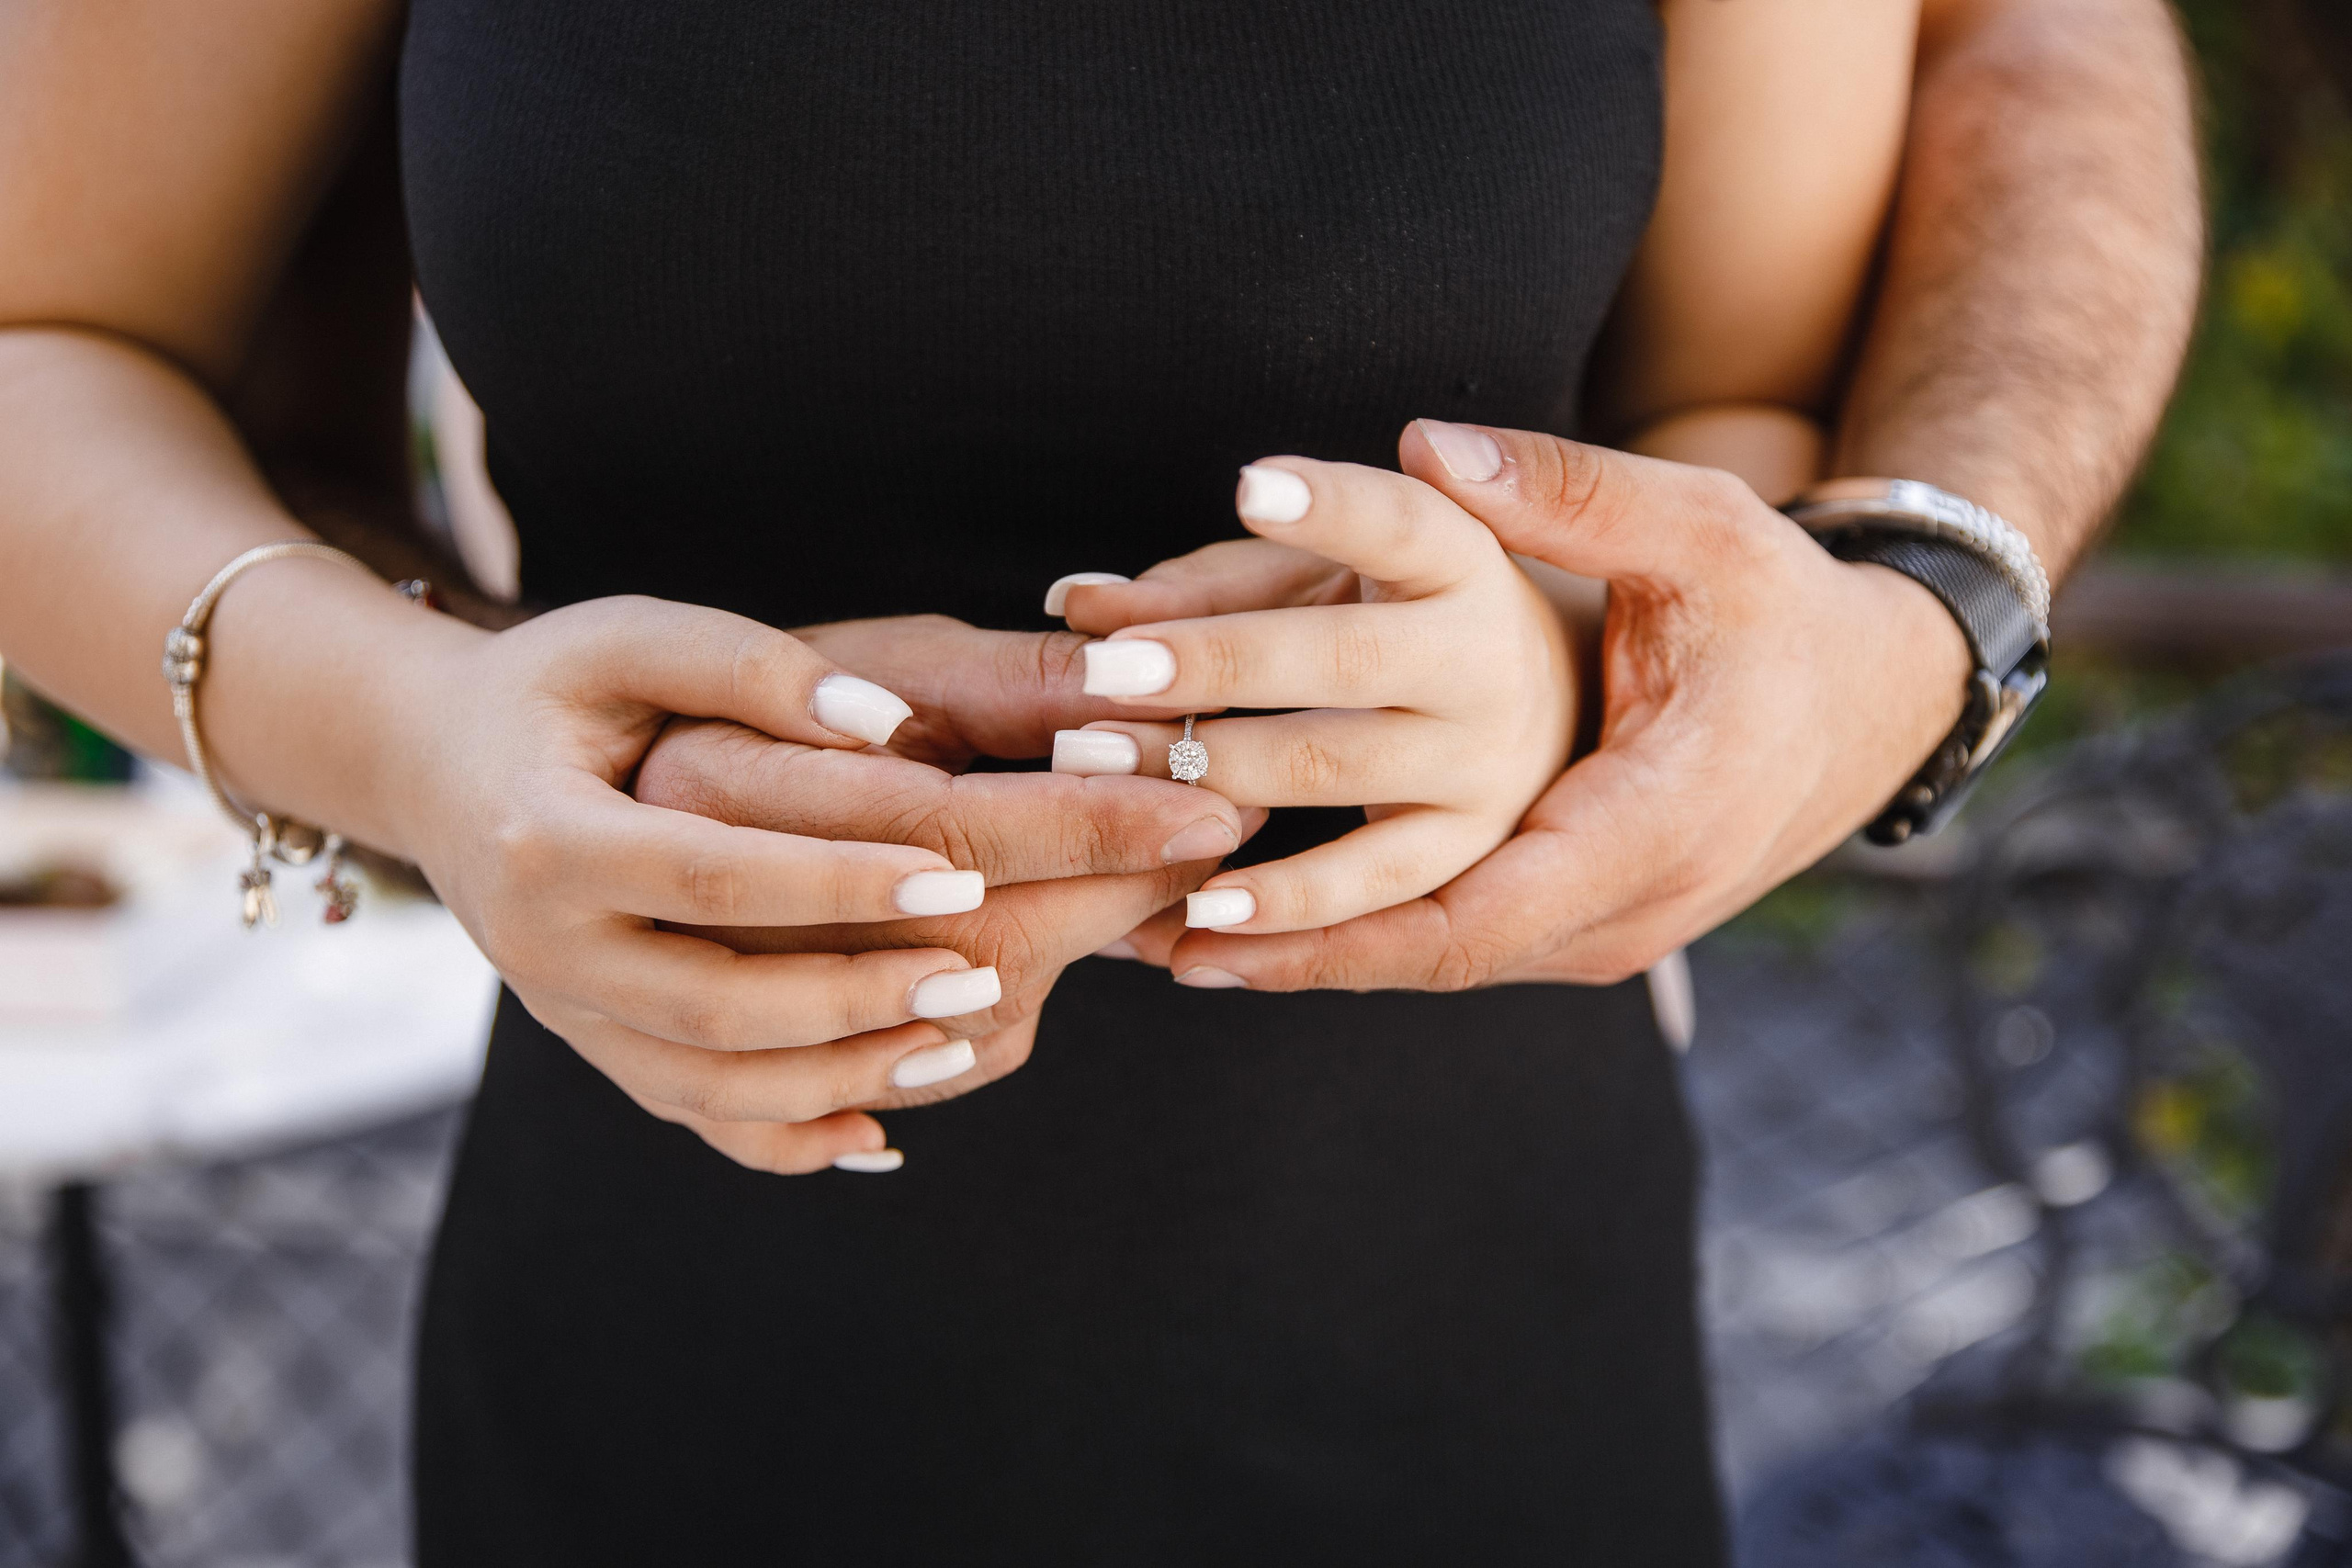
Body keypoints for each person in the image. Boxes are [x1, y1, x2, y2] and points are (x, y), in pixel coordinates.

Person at [0, 1, 2200, 1562]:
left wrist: (1552, 649)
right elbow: (51, 339)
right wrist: (418, 732)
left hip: (1452, 1341)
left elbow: (1736, 401)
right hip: (674, 1335)